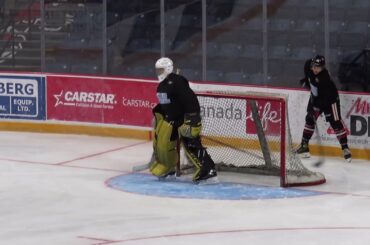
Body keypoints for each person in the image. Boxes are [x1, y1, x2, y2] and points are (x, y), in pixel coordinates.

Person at [149, 57, 217, 182]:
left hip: (186, 119)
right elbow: (167, 104)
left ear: (168, 68)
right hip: (173, 121)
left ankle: (208, 169)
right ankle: (168, 167)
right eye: (157, 70)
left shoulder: (178, 81)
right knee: (164, 144)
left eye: (161, 69)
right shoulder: (162, 86)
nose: (158, 72)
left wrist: (191, 117)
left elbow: (189, 100)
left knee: (191, 143)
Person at [296, 55, 352, 162]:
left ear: (323, 67)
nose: (316, 69)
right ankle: (304, 147)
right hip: (315, 98)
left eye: (319, 67)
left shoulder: (324, 78)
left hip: (330, 101)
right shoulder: (308, 66)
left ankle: (345, 148)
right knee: (309, 119)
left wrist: (315, 108)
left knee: (335, 122)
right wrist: (306, 80)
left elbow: (324, 99)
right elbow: (309, 74)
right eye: (315, 66)